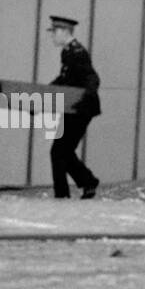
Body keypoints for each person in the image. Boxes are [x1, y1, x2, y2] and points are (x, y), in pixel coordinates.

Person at [46, 15, 101, 199]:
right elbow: (64, 80)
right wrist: (41, 94)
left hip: (81, 108)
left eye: (54, 32)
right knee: (63, 151)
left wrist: (87, 95)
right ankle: (87, 182)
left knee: (59, 151)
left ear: (63, 32)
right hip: (74, 107)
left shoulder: (77, 52)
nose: (52, 36)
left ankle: (63, 195)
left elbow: (92, 77)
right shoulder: (68, 51)